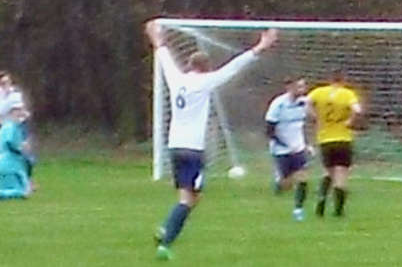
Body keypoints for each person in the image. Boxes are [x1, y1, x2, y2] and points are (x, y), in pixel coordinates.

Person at [145, 20, 278, 260]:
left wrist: (155, 36)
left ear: (188, 64)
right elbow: (234, 67)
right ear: (206, 68)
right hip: (193, 149)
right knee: (189, 199)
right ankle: (165, 241)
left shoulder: (177, 79)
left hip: (174, 146)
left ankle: (167, 228)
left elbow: (163, 54)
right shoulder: (205, 81)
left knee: (192, 197)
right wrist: (261, 46)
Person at [307, 70, 362, 218]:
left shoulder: (319, 92)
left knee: (328, 173)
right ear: (343, 80)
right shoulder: (347, 94)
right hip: (343, 138)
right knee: (341, 175)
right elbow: (357, 110)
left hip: (325, 139)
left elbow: (307, 103)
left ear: (330, 79)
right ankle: (338, 211)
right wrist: (350, 120)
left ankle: (321, 202)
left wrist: (315, 116)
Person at [265, 76, 314, 221]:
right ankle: (279, 183)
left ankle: (298, 209)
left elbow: (307, 124)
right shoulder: (278, 104)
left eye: (303, 87)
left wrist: (308, 144)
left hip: (298, 148)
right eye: (298, 87)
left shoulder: (304, 103)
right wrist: (285, 145)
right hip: (281, 149)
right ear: (289, 87)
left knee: (303, 178)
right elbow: (269, 131)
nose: (302, 90)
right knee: (286, 183)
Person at [0, 71, 38, 190]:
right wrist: (11, 104)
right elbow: (0, 110)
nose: (6, 85)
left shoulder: (16, 92)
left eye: (8, 82)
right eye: (3, 83)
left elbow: (20, 108)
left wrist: (12, 107)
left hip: (20, 125)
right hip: (6, 128)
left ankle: (28, 179)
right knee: (11, 154)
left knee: (28, 155)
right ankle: (13, 180)